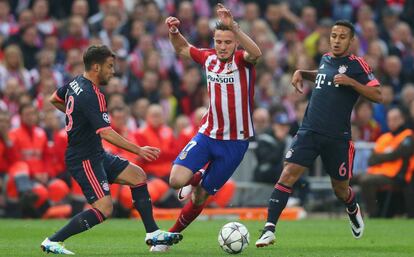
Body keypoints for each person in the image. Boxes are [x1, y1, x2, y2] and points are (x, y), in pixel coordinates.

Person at [40, 45, 182, 255]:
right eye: (109, 66)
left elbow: (54, 98)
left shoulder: (75, 82)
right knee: (105, 208)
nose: (112, 71)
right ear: (96, 67)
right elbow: (106, 133)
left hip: (95, 153)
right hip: (84, 158)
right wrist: (138, 150)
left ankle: (152, 233)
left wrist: (78, 118)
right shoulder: (92, 94)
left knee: (138, 176)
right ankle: (53, 241)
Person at [256, 20, 383, 247]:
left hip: (337, 138)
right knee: (288, 174)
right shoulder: (325, 59)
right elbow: (323, 75)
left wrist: (352, 82)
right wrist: (302, 72)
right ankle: (269, 228)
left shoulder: (357, 65)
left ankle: (352, 207)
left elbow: (378, 94)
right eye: (334, 35)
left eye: (342, 36)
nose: (336, 40)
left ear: (351, 40)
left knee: (340, 189)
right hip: (309, 131)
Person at [150, 4, 262, 252]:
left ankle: (169, 238)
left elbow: (257, 52)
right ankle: (195, 177)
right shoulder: (209, 57)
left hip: (235, 143)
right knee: (175, 180)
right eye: (219, 41)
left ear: (235, 43)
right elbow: (181, 48)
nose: (222, 46)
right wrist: (173, 32)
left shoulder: (243, 61)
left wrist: (235, 27)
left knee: (200, 197)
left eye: (227, 42)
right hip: (207, 135)